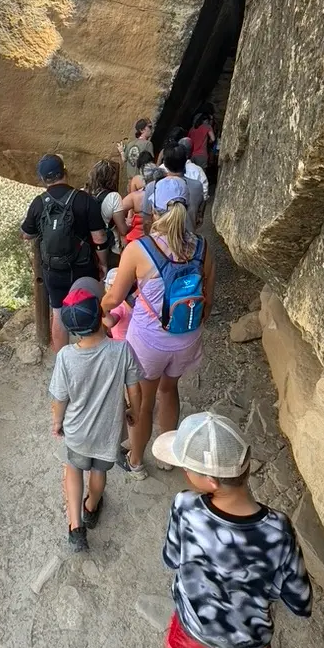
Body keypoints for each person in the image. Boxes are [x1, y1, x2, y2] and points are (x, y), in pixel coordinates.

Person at [136, 413, 313, 648]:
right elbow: (298, 599)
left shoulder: (186, 507)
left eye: (187, 467)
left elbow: (171, 557)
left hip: (196, 626)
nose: (184, 474)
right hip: (249, 633)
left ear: (210, 480)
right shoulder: (278, 528)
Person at [102, 182, 215, 478]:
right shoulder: (202, 248)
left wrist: (98, 309)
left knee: (142, 400)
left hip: (149, 341)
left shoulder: (139, 249)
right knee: (170, 389)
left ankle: (136, 462)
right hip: (186, 337)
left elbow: (115, 298)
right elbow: (209, 302)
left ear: (152, 209)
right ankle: (168, 456)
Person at [49, 279, 143, 552]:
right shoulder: (121, 349)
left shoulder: (66, 357)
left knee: (73, 469)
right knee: (99, 473)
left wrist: (57, 423)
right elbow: (135, 390)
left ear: (72, 329)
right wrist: (132, 412)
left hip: (77, 432)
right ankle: (91, 507)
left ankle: (76, 528)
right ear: (101, 316)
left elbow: (59, 398)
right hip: (109, 431)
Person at [22, 154, 109, 353]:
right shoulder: (85, 200)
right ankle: (96, 352)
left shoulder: (38, 203)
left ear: (43, 180)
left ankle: (62, 358)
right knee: (93, 306)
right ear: (65, 172)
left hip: (54, 270)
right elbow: (99, 238)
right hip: (83, 267)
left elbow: (26, 234)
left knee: (59, 313)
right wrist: (103, 263)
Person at [86, 160, 128, 268]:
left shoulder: (85, 193)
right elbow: (123, 229)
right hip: (109, 247)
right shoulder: (113, 197)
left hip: (88, 246)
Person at [156, 144, 204, 231]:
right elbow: (199, 217)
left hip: (161, 240)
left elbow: (147, 220)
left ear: (165, 164)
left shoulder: (155, 186)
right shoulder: (197, 186)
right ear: (186, 160)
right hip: (188, 238)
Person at [102, 268, 134, 341]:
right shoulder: (131, 301)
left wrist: (102, 309)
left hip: (121, 341)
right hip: (132, 339)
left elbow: (110, 322)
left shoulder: (119, 305)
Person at [119, 119, 154, 184]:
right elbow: (150, 165)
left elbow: (124, 159)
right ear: (142, 130)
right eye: (149, 127)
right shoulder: (148, 144)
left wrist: (121, 151)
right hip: (141, 182)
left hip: (130, 182)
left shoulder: (130, 144)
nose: (151, 129)